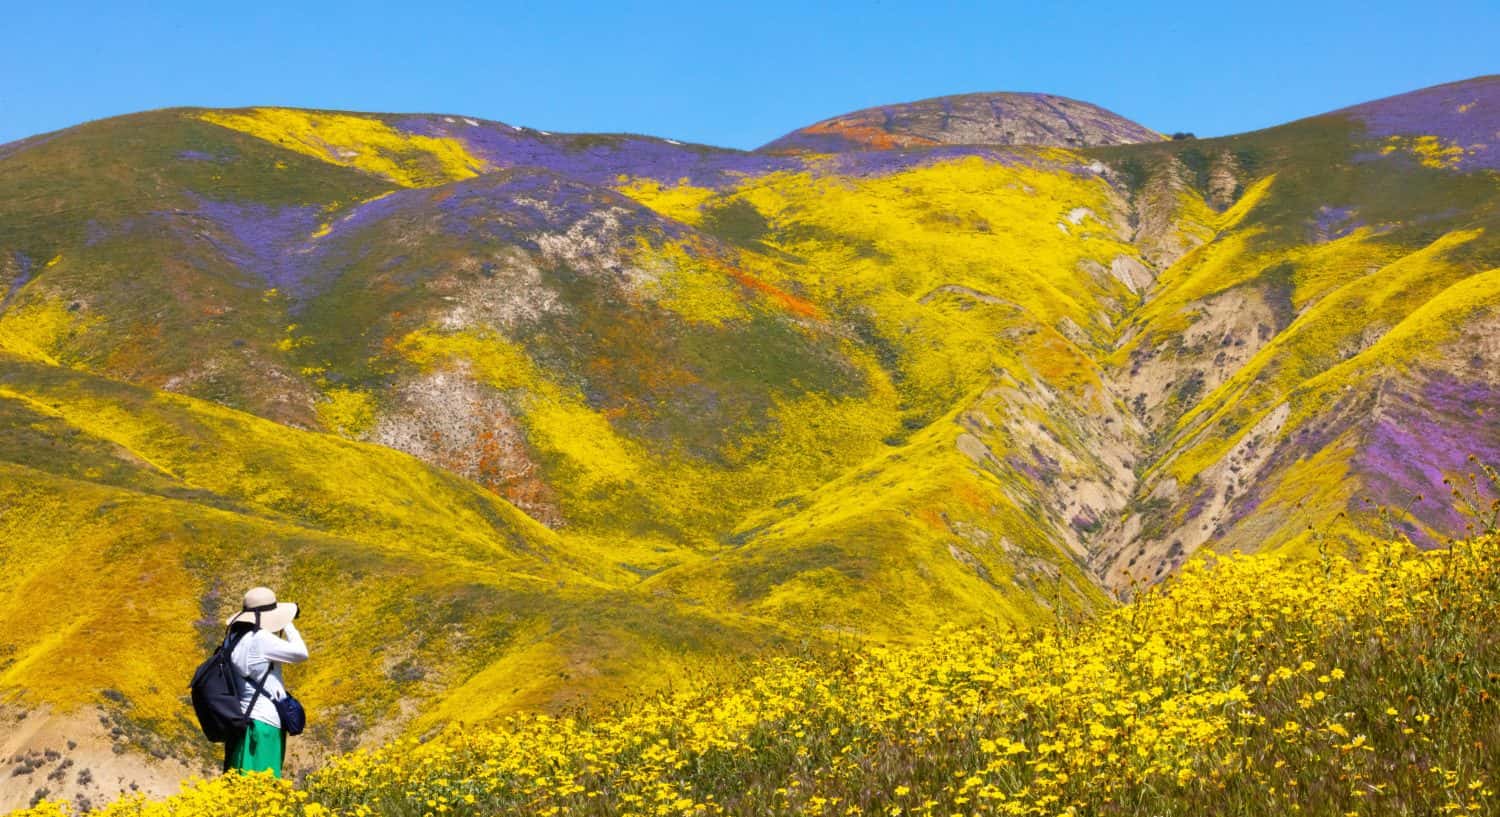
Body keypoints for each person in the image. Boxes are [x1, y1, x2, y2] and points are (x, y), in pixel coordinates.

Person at [223, 586, 307, 777]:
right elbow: (301, 653)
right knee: (264, 788)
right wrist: (287, 624)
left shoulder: (232, 637)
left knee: (238, 787)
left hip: (241, 722)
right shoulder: (260, 639)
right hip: (264, 723)